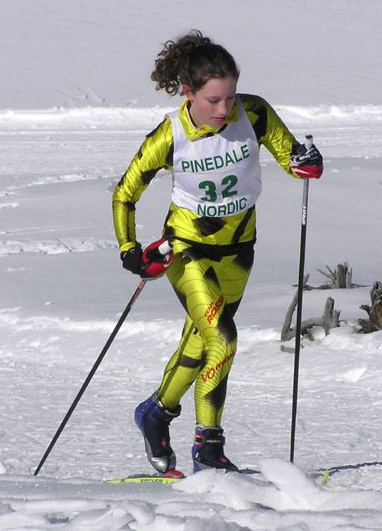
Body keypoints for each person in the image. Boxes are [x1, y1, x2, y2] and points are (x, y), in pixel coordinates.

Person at [112, 30, 323, 475]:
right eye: (213, 100)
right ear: (188, 92)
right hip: (187, 249)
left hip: (239, 250)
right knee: (223, 339)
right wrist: (130, 249)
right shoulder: (169, 135)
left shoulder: (255, 113)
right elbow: (126, 192)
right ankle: (209, 449)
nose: (224, 109)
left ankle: (155, 413)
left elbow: (292, 159)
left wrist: (306, 161)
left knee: (204, 342)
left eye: (229, 97)